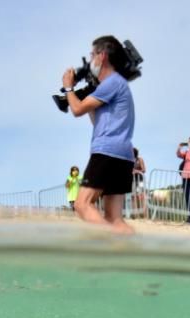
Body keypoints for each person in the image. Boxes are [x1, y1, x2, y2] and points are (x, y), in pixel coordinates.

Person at [61, 35, 137, 234]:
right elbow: (96, 120)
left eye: (92, 54)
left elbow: (76, 110)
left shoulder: (112, 82)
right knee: (114, 218)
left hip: (107, 152)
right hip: (123, 155)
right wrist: (87, 93)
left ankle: (112, 239)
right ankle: (132, 249)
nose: (90, 59)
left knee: (82, 204)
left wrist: (69, 87)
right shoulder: (116, 84)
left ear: (102, 56)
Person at [132, 147, 146, 217]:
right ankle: (135, 215)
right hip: (132, 181)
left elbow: (144, 170)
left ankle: (144, 214)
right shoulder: (129, 160)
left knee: (141, 196)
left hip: (140, 180)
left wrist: (136, 171)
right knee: (133, 197)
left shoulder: (140, 159)